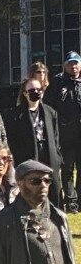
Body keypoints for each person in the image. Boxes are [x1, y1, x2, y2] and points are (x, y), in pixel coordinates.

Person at [5, 77, 64, 208]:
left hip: (49, 157)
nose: (36, 92)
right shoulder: (14, 115)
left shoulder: (50, 112)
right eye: (32, 90)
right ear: (25, 93)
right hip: (28, 159)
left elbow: (56, 139)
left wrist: (59, 161)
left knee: (52, 192)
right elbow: (12, 141)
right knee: (32, 192)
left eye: (39, 89)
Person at [45, 51, 81, 212]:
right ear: (65, 65)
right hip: (66, 134)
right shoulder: (58, 83)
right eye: (70, 63)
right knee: (66, 169)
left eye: (76, 63)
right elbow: (50, 107)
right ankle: (71, 200)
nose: (73, 66)